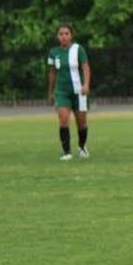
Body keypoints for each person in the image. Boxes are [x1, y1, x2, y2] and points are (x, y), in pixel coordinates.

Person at [46, 23, 91, 161]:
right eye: (61, 34)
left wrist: (86, 84)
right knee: (64, 120)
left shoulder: (78, 49)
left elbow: (85, 67)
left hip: (78, 91)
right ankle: (66, 152)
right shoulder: (54, 53)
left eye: (66, 33)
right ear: (57, 36)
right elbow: (52, 72)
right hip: (62, 92)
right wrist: (51, 91)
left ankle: (82, 147)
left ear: (71, 35)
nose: (64, 36)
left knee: (82, 123)